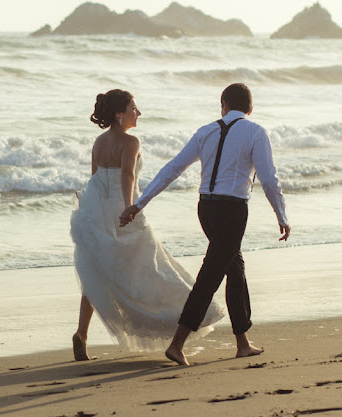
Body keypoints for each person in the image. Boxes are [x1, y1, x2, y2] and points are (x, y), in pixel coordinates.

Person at [120, 83, 291, 366]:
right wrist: (281, 215)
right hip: (233, 210)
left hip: (206, 208)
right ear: (250, 108)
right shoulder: (256, 132)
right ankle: (177, 343)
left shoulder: (206, 131)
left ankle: (242, 342)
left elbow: (172, 168)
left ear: (222, 104)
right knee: (211, 274)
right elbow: (269, 178)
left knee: (234, 269)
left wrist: (140, 203)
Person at [70, 89, 225, 361]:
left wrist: (92, 208)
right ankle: (177, 320)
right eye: (133, 108)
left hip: (96, 208)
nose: (138, 113)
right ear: (120, 114)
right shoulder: (130, 142)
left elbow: (95, 178)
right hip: (122, 206)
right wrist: (131, 207)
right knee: (149, 266)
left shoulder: (98, 142)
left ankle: (81, 333)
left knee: (97, 271)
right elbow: (128, 174)